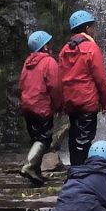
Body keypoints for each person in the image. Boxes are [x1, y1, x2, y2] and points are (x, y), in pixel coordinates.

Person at [58, 10, 106, 166]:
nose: (94, 30)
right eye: (92, 27)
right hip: (87, 100)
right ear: (87, 28)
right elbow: (101, 78)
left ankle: (75, 168)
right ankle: (81, 171)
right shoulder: (91, 48)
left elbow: (59, 77)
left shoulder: (65, 50)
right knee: (84, 138)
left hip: (70, 101)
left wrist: (62, 103)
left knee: (74, 135)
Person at [19, 30, 62, 185]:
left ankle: (36, 172)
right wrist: (58, 105)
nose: (52, 45)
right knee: (44, 138)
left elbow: (21, 84)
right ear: (45, 46)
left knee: (35, 138)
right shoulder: (49, 62)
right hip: (42, 106)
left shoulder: (27, 63)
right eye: (49, 43)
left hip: (27, 106)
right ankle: (29, 166)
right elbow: (55, 86)